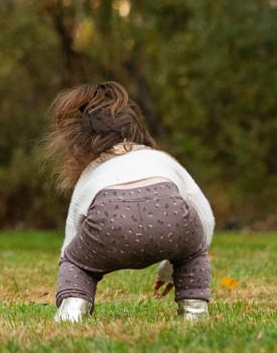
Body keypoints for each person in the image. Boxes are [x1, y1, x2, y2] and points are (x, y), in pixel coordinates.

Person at [45, 81, 214, 322]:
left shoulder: (92, 170)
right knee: (194, 251)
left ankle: (72, 310)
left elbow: (73, 229)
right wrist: (172, 268)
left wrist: (71, 264)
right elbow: (205, 218)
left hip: (110, 223)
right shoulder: (161, 159)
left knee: (76, 262)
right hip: (172, 222)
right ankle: (195, 311)